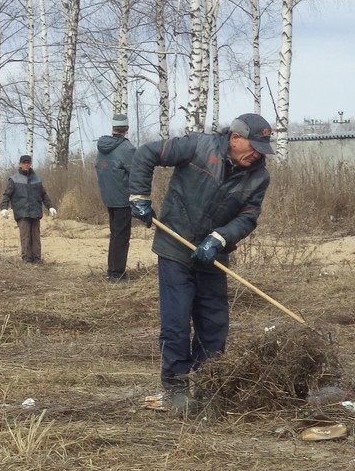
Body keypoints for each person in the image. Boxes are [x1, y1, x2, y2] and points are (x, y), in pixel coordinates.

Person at [128, 113, 274, 414]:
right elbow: (147, 153)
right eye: (253, 145)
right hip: (175, 246)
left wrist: (220, 238)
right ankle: (176, 386)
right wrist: (139, 196)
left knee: (214, 324)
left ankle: (209, 382)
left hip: (213, 255)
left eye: (262, 148)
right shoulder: (198, 146)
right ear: (235, 138)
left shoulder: (259, 176)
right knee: (177, 321)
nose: (257, 153)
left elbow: (248, 217)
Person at [95, 112, 135, 282]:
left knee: (115, 234)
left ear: (113, 128)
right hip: (122, 199)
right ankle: (117, 274)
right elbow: (137, 173)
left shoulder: (102, 148)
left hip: (108, 197)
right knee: (121, 236)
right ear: (126, 128)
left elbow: (100, 168)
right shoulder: (126, 148)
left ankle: (112, 271)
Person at [0, 154, 56, 263]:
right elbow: (7, 195)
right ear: (20, 164)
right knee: (25, 237)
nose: (26, 164)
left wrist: (50, 206)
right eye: (24, 162)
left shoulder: (37, 179)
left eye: (28, 162)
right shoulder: (14, 179)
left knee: (36, 237)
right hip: (22, 212)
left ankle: (37, 259)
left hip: (35, 212)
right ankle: (27, 260)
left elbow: (43, 195)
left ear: (30, 163)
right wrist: (4, 208)